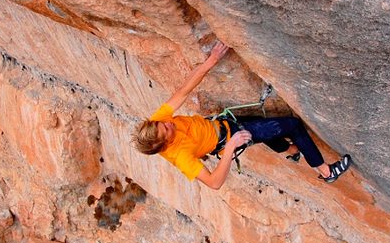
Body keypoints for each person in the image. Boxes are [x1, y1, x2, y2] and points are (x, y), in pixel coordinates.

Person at [133, 41, 351, 190]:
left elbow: (183, 91)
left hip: (224, 124)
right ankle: (326, 171)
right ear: (163, 146)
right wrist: (230, 149)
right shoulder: (181, 157)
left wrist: (212, 60)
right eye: (166, 129)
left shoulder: (158, 122)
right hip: (231, 137)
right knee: (291, 125)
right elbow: (213, 183)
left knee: (264, 127)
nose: (169, 122)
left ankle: (293, 150)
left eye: (163, 122)